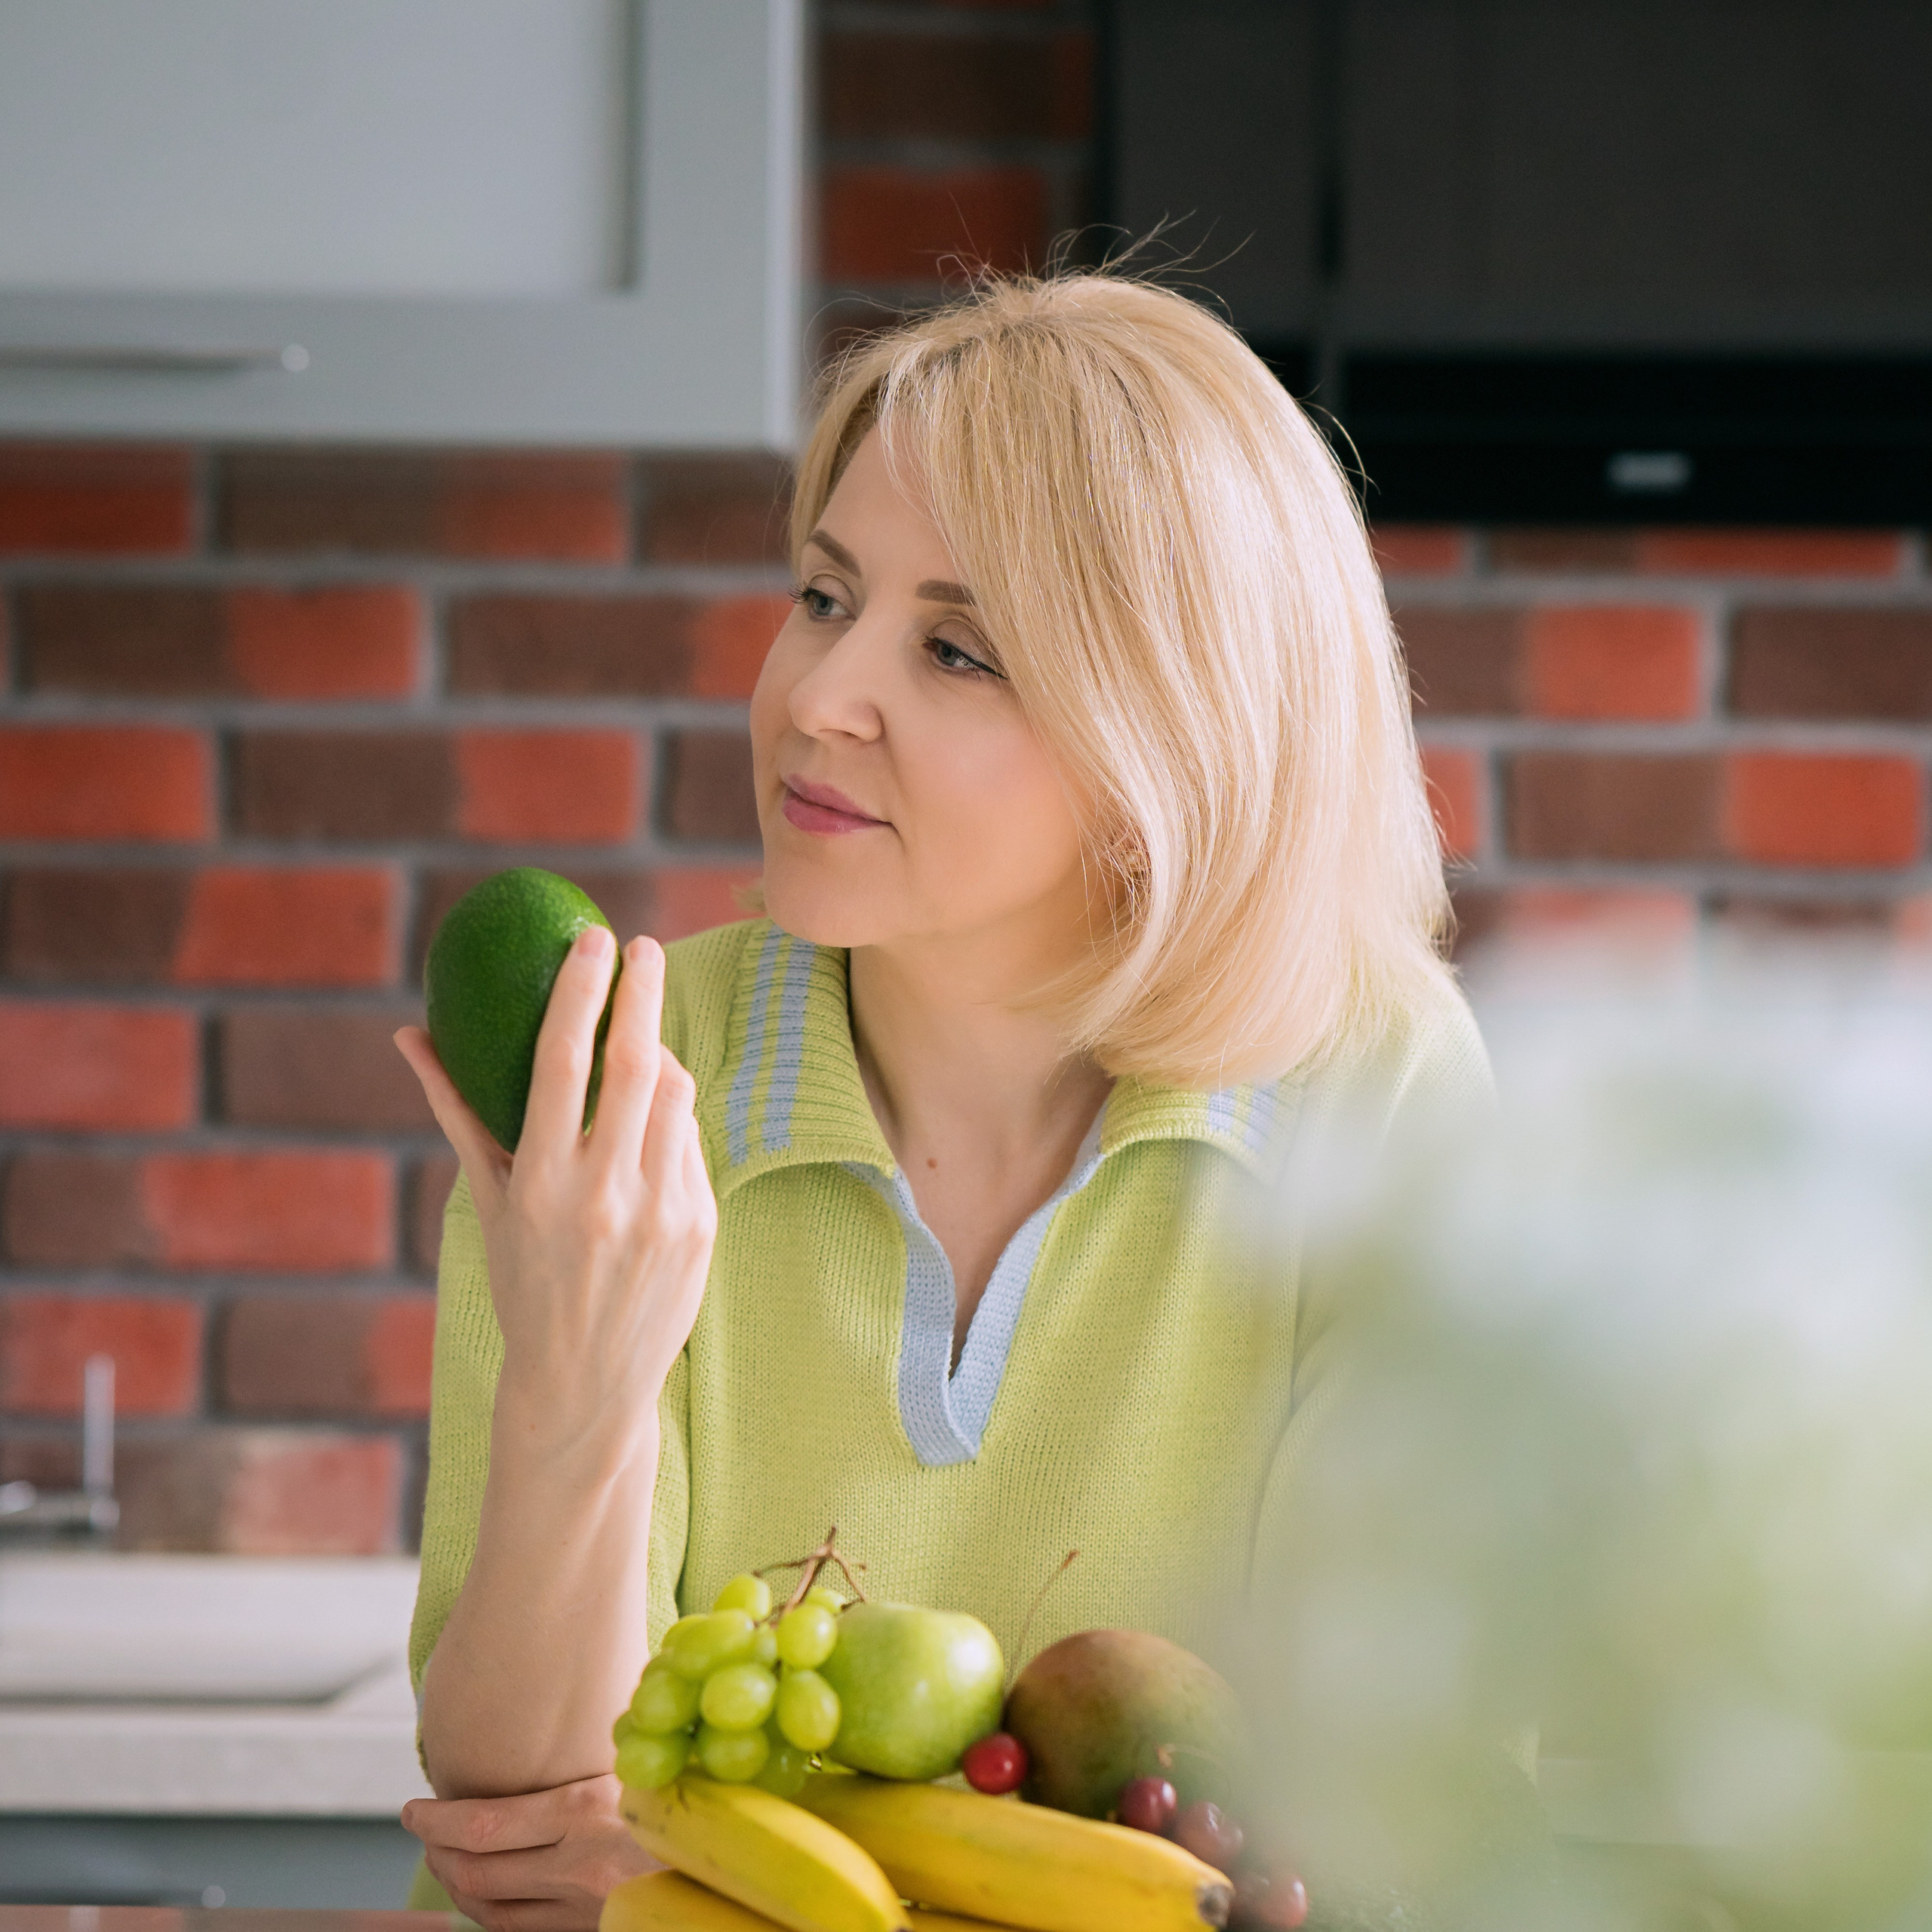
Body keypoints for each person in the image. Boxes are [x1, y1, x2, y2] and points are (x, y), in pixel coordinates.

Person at [392, 269, 1487, 1929]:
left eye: (955, 647)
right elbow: (516, 1830)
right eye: (825, 597)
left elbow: (1348, 1819)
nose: (818, 697)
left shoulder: (1372, 1091)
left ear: (1164, 747)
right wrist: (579, 1364)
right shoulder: (625, 1053)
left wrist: (730, 1835)